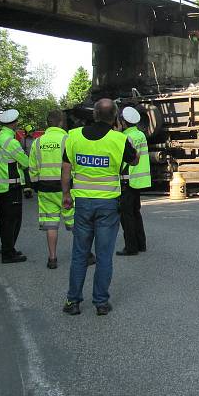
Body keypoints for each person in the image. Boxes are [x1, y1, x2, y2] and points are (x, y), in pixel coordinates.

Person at [62, 98, 138, 316]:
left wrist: (66, 194)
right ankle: (101, 303)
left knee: (79, 254)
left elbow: (65, 169)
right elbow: (133, 161)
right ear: (115, 117)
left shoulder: (74, 136)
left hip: (82, 203)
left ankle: (73, 302)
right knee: (104, 256)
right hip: (107, 205)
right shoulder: (118, 139)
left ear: (93, 115)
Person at [29, 111, 71, 269]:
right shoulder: (67, 139)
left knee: (51, 224)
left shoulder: (38, 142)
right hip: (65, 188)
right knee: (74, 221)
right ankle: (85, 255)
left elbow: (32, 167)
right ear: (61, 123)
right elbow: (73, 164)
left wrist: (34, 184)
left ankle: (52, 258)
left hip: (45, 188)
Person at [0, 109, 30, 264]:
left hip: (1, 186)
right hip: (11, 186)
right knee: (13, 221)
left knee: (6, 220)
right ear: (14, 123)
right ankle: (8, 253)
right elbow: (26, 162)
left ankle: (9, 249)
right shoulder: (11, 142)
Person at [116, 106, 150, 256]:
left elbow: (121, 160)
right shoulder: (140, 134)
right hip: (138, 180)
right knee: (136, 212)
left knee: (126, 215)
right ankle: (141, 243)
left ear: (123, 122)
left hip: (127, 179)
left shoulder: (124, 137)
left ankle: (131, 247)